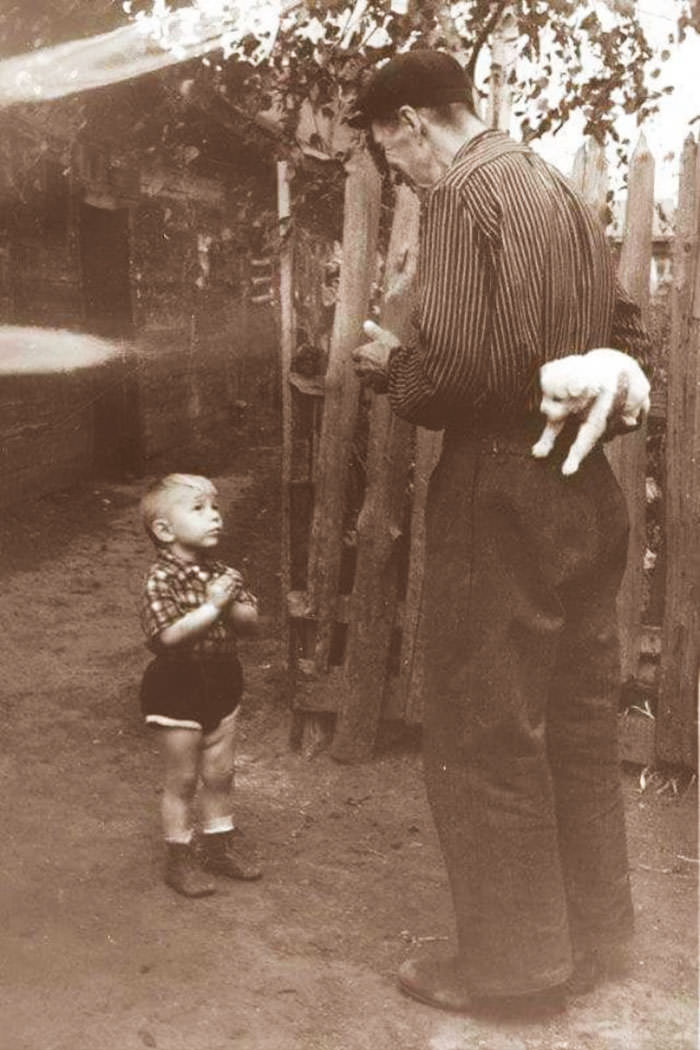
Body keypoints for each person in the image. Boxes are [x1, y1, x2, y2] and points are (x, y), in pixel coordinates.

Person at [349, 50, 650, 1017]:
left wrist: (392, 366)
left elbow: (467, 376)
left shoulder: (463, 196)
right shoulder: (550, 184)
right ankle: (595, 936)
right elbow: (618, 324)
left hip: (502, 483)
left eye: (390, 153)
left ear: (408, 122)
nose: (397, 171)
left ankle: (516, 971)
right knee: (572, 719)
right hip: (584, 482)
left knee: (486, 730)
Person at [139, 473, 262, 897]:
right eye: (199, 509)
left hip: (223, 679)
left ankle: (218, 846)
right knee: (184, 778)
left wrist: (236, 604)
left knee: (221, 772)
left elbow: (250, 626)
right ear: (164, 530)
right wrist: (213, 606)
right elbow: (167, 637)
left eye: (215, 508)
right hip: (177, 685)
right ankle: (179, 858)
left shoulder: (225, 573)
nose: (214, 517)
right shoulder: (162, 579)